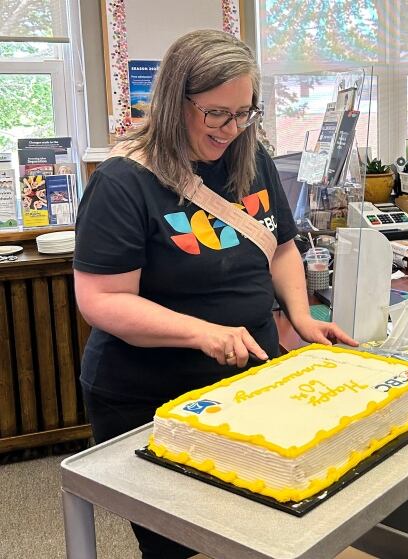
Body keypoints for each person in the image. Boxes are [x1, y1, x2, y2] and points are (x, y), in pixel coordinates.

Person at [73, 29, 356, 559]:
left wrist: (301, 317)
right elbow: (102, 301)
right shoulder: (122, 182)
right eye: (216, 114)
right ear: (175, 100)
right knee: (185, 545)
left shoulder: (253, 156)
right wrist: (202, 333)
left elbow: (281, 248)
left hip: (249, 376)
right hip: (150, 396)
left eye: (244, 112)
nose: (231, 128)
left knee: (258, 529)